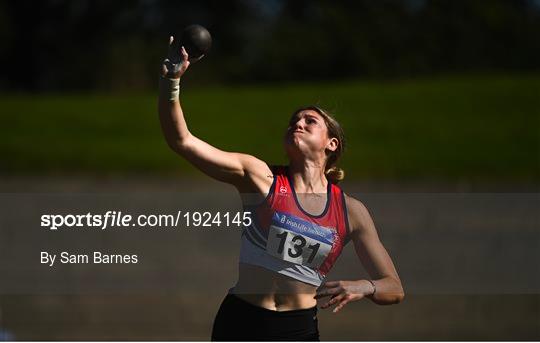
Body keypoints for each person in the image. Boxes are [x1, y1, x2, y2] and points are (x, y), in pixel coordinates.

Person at [159, 37, 404, 341]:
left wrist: (365, 287)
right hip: (240, 322)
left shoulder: (350, 212)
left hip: (296, 329)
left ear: (332, 144)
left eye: (309, 121)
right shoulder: (259, 177)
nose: (297, 124)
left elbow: (393, 287)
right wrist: (171, 81)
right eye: (293, 121)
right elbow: (181, 141)